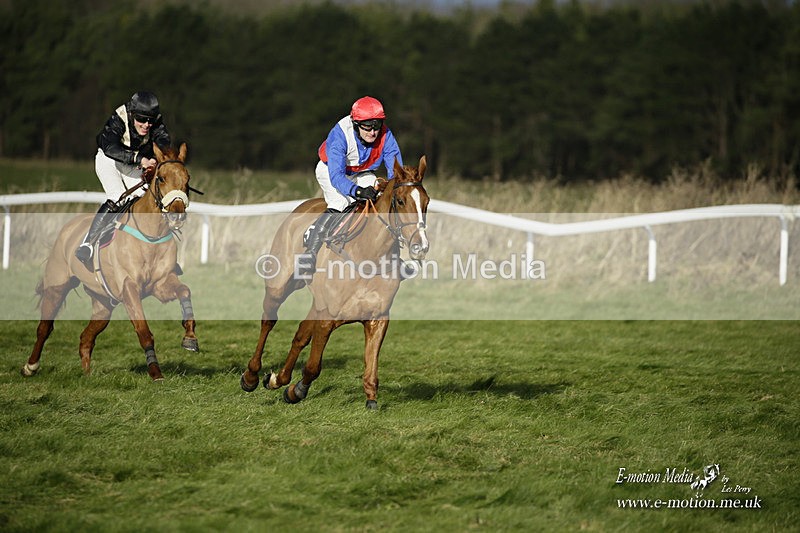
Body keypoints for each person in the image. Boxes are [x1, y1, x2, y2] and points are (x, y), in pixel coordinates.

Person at [299, 96, 403, 276]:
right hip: (330, 171)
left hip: (361, 172)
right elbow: (337, 176)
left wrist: (394, 188)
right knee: (341, 202)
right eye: (367, 126)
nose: (373, 132)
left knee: (380, 199)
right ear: (355, 124)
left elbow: (395, 169)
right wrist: (357, 191)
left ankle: (393, 257)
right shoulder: (340, 134)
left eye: (377, 125)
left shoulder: (386, 135)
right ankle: (310, 252)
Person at [75, 91, 171, 266]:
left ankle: (155, 249)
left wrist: (157, 158)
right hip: (109, 160)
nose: (147, 125)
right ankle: (88, 243)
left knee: (146, 197)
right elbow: (109, 147)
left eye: (150, 120)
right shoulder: (119, 117)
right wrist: (139, 159)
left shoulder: (154, 120)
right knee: (118, 197)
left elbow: (163, 140)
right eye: (141, 119)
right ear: (132, 114)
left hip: (133, 164)